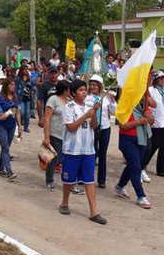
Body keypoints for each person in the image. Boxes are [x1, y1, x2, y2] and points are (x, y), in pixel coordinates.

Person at [58, 79, 107, 225]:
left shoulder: (90, 106)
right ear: (73, 93)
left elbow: (94, 126)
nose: (84, 92)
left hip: (88, 149)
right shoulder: (69, 107)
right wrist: (86, 115)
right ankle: (64, 202)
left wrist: (93, 115)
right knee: (69, 179)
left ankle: (94, 211)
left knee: (89, 180)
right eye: (80, 90)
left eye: (85, 90)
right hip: (72, 149)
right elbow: (71, 127)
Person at [115, 84, 154, 210]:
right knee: (136, 167)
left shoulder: (143, 106)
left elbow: (151, 121)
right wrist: (139, 121)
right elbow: (122, 126)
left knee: (133, 165)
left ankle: (120, 186)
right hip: (127, 140)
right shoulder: (124, 106)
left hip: (142, 139)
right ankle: (141, 195)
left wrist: (149, 117)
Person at [86, 74, 116, 188]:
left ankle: (101, 180)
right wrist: (94, 108)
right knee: (91, 153)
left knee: (103, 154)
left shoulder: (106, 97)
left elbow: (113, 112)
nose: (93, 87)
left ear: (100, 86)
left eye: (95, 85)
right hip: (92, 128)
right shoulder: (87, 97)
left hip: (105, 128)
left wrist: (113, 102)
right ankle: (87, 177)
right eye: (91, 84)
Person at [0, 78, 22, 180]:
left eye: (14, 84)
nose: (13, 86)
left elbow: (17, 112)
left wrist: (20, 126)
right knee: (5, 148)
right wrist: (0, 117)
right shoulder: (0, 98)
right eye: (11, 84)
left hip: (11, 126)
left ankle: (1, 169)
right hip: (0, 125)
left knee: (6, 148)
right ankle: (9, 171)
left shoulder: (15, 97)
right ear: (6, 86)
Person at [43, 80, 70, 190]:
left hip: (66, 134)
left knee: (62, 158)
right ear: (64, 90)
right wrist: (46, 136)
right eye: (69, 89)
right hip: (54, 133)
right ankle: (49, 179)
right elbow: (47, 118)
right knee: (54, 158)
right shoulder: (53, 100)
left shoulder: (68, 101)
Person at [16, 68, 33, 132]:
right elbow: (17, 89)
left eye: (26, 70)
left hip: (28, 98)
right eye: (24, 70)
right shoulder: (18, 80)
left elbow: (31, 88)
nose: (25, 71)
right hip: (21, 98)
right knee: (22, 113)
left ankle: (26, 127)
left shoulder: (29, 80)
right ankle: (19, 124)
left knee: (27, 114)